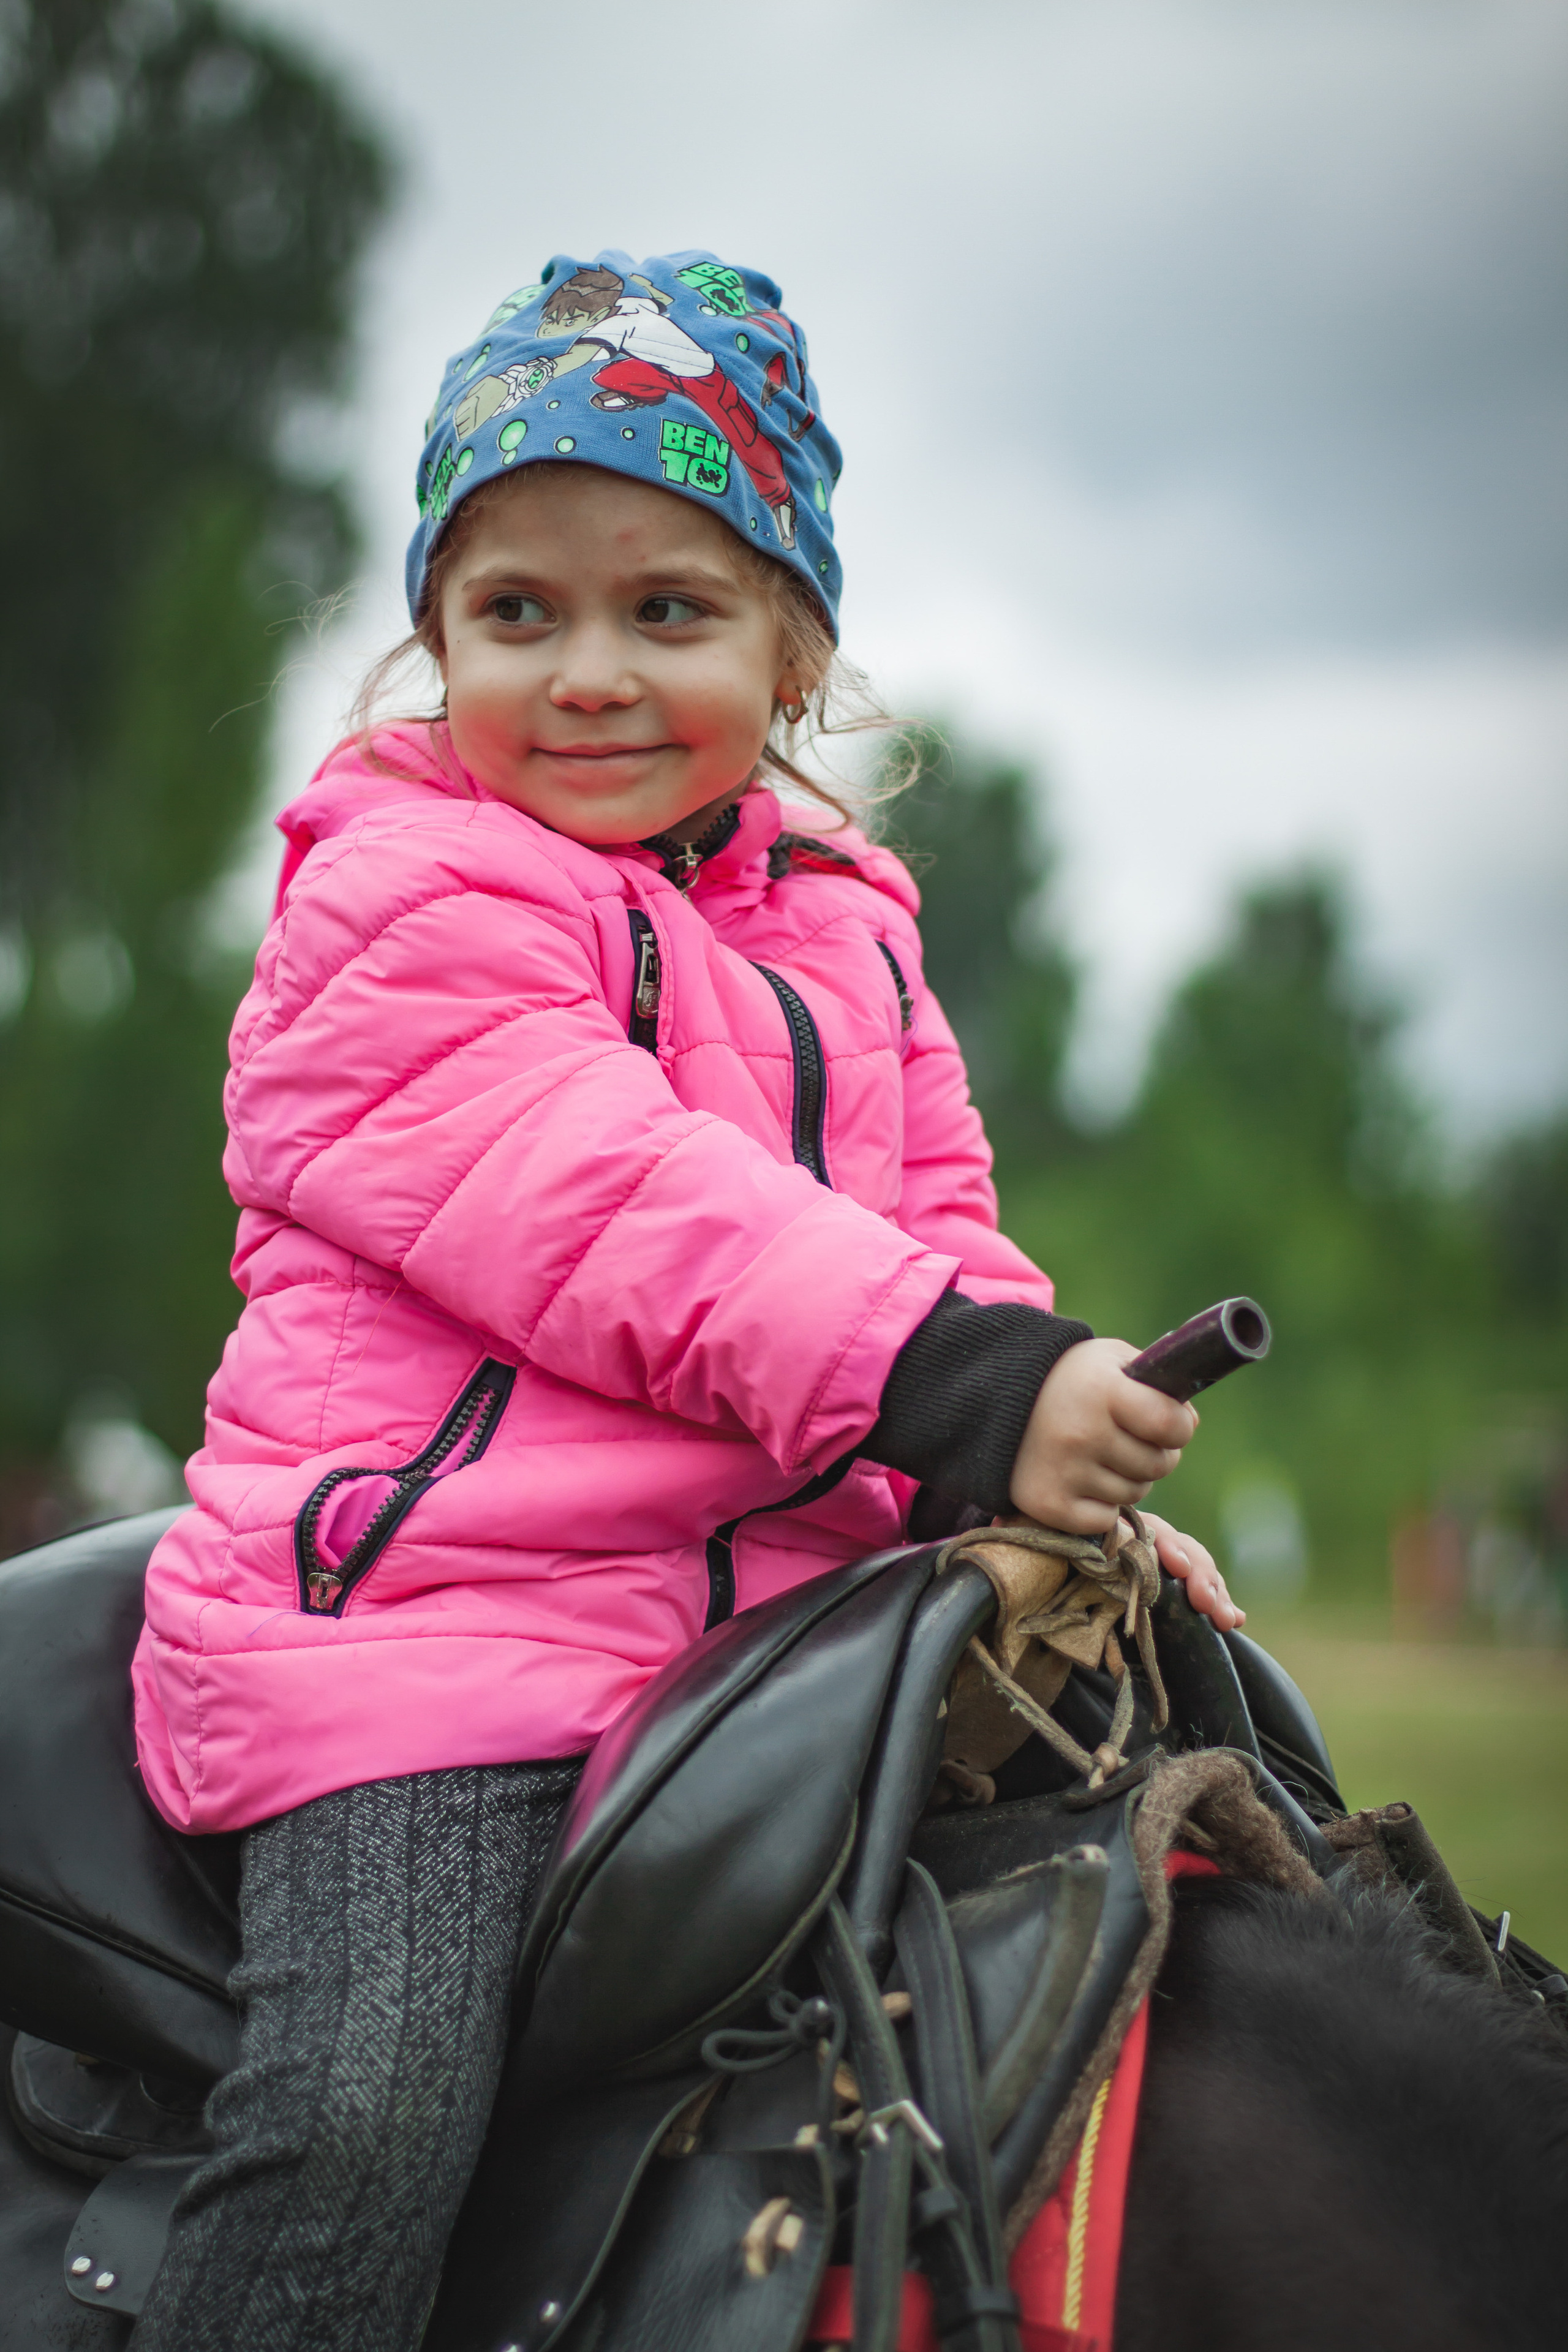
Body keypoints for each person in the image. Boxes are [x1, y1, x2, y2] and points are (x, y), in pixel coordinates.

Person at [129, 247, 1241, 2352]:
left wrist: (1049, 1474)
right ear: (435, 639)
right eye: (516, 611)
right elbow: (620, 1202)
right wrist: (960, 1381)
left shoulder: (850, 935)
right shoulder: (396, 904)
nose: (589, 674)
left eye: (670, 608)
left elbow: (945, 1244)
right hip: (432, 1647)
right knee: (364, 2113)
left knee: (1205, 1852)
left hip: (766, 1645)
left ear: (792, 653)